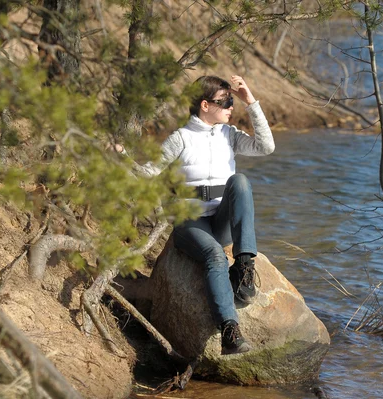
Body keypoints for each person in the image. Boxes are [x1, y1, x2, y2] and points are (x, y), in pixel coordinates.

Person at [115, 75, 274, 354]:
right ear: (204, 104)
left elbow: (266, 147)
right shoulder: (181, 139)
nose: (230, 106)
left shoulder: (230, 135)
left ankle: (245, 266)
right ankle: (229, 330)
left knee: (241, 182)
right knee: (214, 256)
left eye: (232, 101)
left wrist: (251, 102)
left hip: (221, 221)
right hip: (190, 221)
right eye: (225, 101)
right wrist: (121, 155)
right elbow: (148, 173)